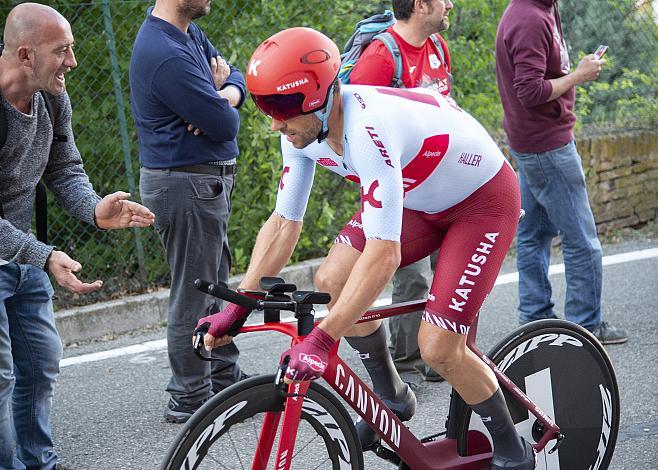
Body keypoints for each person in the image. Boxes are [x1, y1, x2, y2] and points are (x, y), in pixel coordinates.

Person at [197, 27, 536, 469]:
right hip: (422, 197)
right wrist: (241, 304)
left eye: (282, 106)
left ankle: (514, 451)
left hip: (482, 202)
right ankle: (392, 400)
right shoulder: (299, 132)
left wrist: (323, 338)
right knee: (331, 280)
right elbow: (283, 224)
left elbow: (384, 255)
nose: (275, 122)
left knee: (437, 346)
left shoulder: (367, 128)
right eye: (264, 106)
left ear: (321, 95)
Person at [0, 4, 155, 469]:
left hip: (22, 254)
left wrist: (94, 208)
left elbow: (64, 167)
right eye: (62, 51)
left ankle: (38, 462)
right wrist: (44, 256)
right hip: (27, 252)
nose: (72, 62)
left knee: (42, 363)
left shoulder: (51, 97)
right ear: (25, 55)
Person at [129, 0, 248, 424]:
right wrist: (219, 107)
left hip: (200, 181)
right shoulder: (164, 52)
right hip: (185, 183)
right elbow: (225, 125)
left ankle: (222, 377)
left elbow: (236, 77)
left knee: (216, 284)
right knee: (195, 291)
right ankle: (190, 396)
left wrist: (222, 94)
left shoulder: (186, 32)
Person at [495, 0, 627, 344]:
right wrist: (579, 76)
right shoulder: (528, 18)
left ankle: (534, 316)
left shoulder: (540, 9)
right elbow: (530, 91)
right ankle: (587, 325)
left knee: (534, 233)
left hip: (531, 142)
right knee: (582, 240)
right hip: (547, 145)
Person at [350, 0, 454, 388]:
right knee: (412, 278)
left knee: (450, 270)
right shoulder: (382, 55)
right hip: (403, 192)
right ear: (421, 5)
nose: (450, 4)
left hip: (447, 182)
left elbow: (447, 108)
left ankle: (442, 355)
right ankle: (405, 364)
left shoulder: (439, 46)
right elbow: (354, 126)